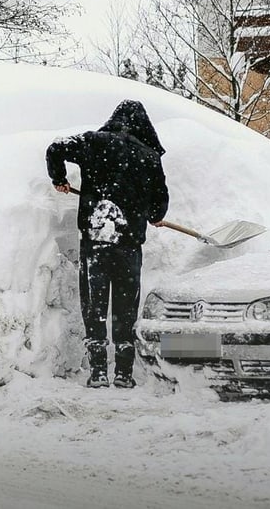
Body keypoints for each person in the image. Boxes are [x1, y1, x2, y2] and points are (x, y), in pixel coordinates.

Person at [46, 100, 169, 389]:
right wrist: (153, 215)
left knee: (94, 305)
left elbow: (56, 147)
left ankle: (99, 371)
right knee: (126, 306)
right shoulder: (149, 156)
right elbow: (159, 204)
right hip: (128, 244)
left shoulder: (94, 142)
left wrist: (59, 178)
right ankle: (124, 373)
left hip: (96, 239)